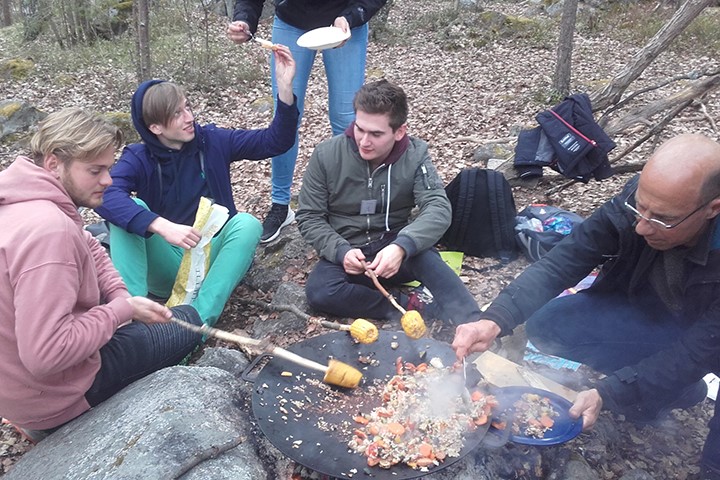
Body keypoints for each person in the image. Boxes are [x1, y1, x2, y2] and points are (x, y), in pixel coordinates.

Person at [452, 134, 720, 478]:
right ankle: (676, 390)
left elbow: (697, 351)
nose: (640, 226)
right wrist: (495, 319)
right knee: (551, 325)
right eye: (641, 208)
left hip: (709, 339)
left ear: (713, 207)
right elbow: (565, 259)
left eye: (661, 219)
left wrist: (610, 391)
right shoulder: (641, 202)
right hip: (655, 316)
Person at [0, 108, 203, 442]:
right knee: (188, 321)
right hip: (57, 393)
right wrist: (120, 312)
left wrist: (120, 295)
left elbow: (90, 244)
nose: (108, 180)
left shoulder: (21, 198)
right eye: (95, 170)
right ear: (54, 163)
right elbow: (46, 355)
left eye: (108, 168)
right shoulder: (49, 231)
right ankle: (54, 426)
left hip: (18, 389)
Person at [95, 46, 299, 327]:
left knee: (247, 224)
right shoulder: (139, 157)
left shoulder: (213, 141)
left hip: (211, 254)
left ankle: (196, 326)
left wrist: (285, 90)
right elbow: (105, 194)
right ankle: (128, 318)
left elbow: (275, 141)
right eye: (178, 114)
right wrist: (161, 225)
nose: (190, 117)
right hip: (169, 260)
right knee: (128, 213)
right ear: (155, 127)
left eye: (188, 107)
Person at [296, 79, 483, 326]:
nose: (364, 141)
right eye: (359, 129)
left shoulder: (415, 155)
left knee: (430, 263)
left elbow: (437, 206)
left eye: (376, 134)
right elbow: (309, 216)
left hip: (395, 245)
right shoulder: (327, 155)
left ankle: (475, 325)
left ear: (399, 131)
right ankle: (412, 307)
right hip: (349, 251)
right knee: (321, 292)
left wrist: (402, 246)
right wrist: (341, 251)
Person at [228, 0, 388, 243]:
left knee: (346, 118)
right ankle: (281, 206)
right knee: (286, 111)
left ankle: (349, 203)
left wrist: (352, 16)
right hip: (291, 21)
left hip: (344, 24)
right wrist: (244, 19)